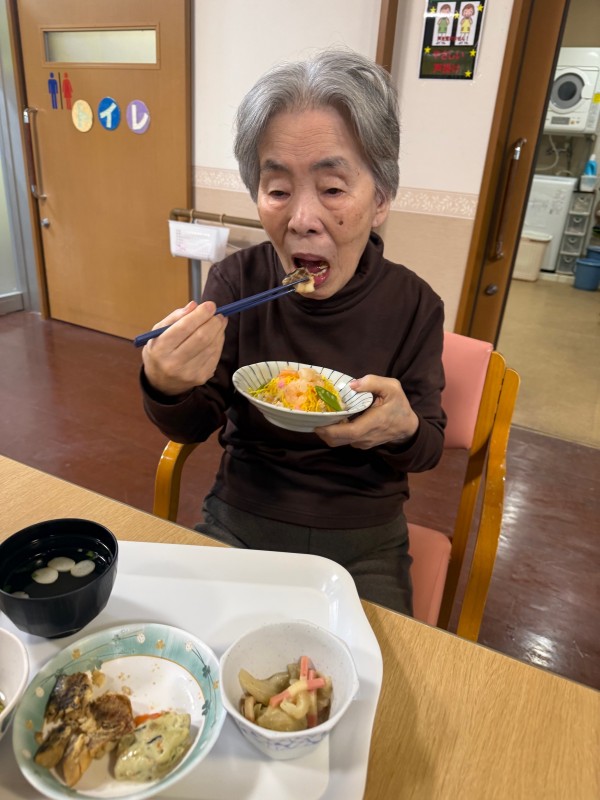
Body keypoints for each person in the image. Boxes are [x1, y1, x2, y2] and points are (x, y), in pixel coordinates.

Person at [140, 49, 446, 615]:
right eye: (278, 190)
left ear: (380, 199)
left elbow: (427, 448)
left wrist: (403, 429)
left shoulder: (415, 305)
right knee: (188, 640)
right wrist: (167, 384)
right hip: (241, 516)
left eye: (332, 189)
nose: (302, 219)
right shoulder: (236, 281)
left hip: (365, 538)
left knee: (368, 668)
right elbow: (194, 423)